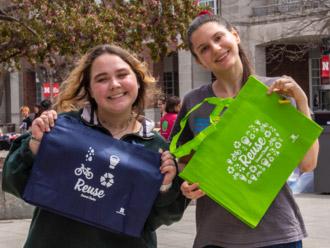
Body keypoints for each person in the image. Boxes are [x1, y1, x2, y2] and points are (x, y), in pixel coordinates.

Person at [2, 44, 186, 248]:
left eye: (122, 74)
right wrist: (34, 147)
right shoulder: (62, 129)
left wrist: (165, 185)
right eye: (102, 79)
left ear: (138, 80)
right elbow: (13, 181)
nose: (114, 84)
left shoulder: (156, 147)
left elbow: (160, 218)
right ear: (89, 88)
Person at [170, 13, 319, 248]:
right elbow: (182, 161)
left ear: (235, 35)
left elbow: (308, 164)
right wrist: (186, 184)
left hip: (276, 232)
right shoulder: (194, 102)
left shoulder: (276, 92)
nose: (216, 48)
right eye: (204, 48)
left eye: (219, 37)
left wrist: (301, 101)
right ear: (200, 61)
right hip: (216, 235)